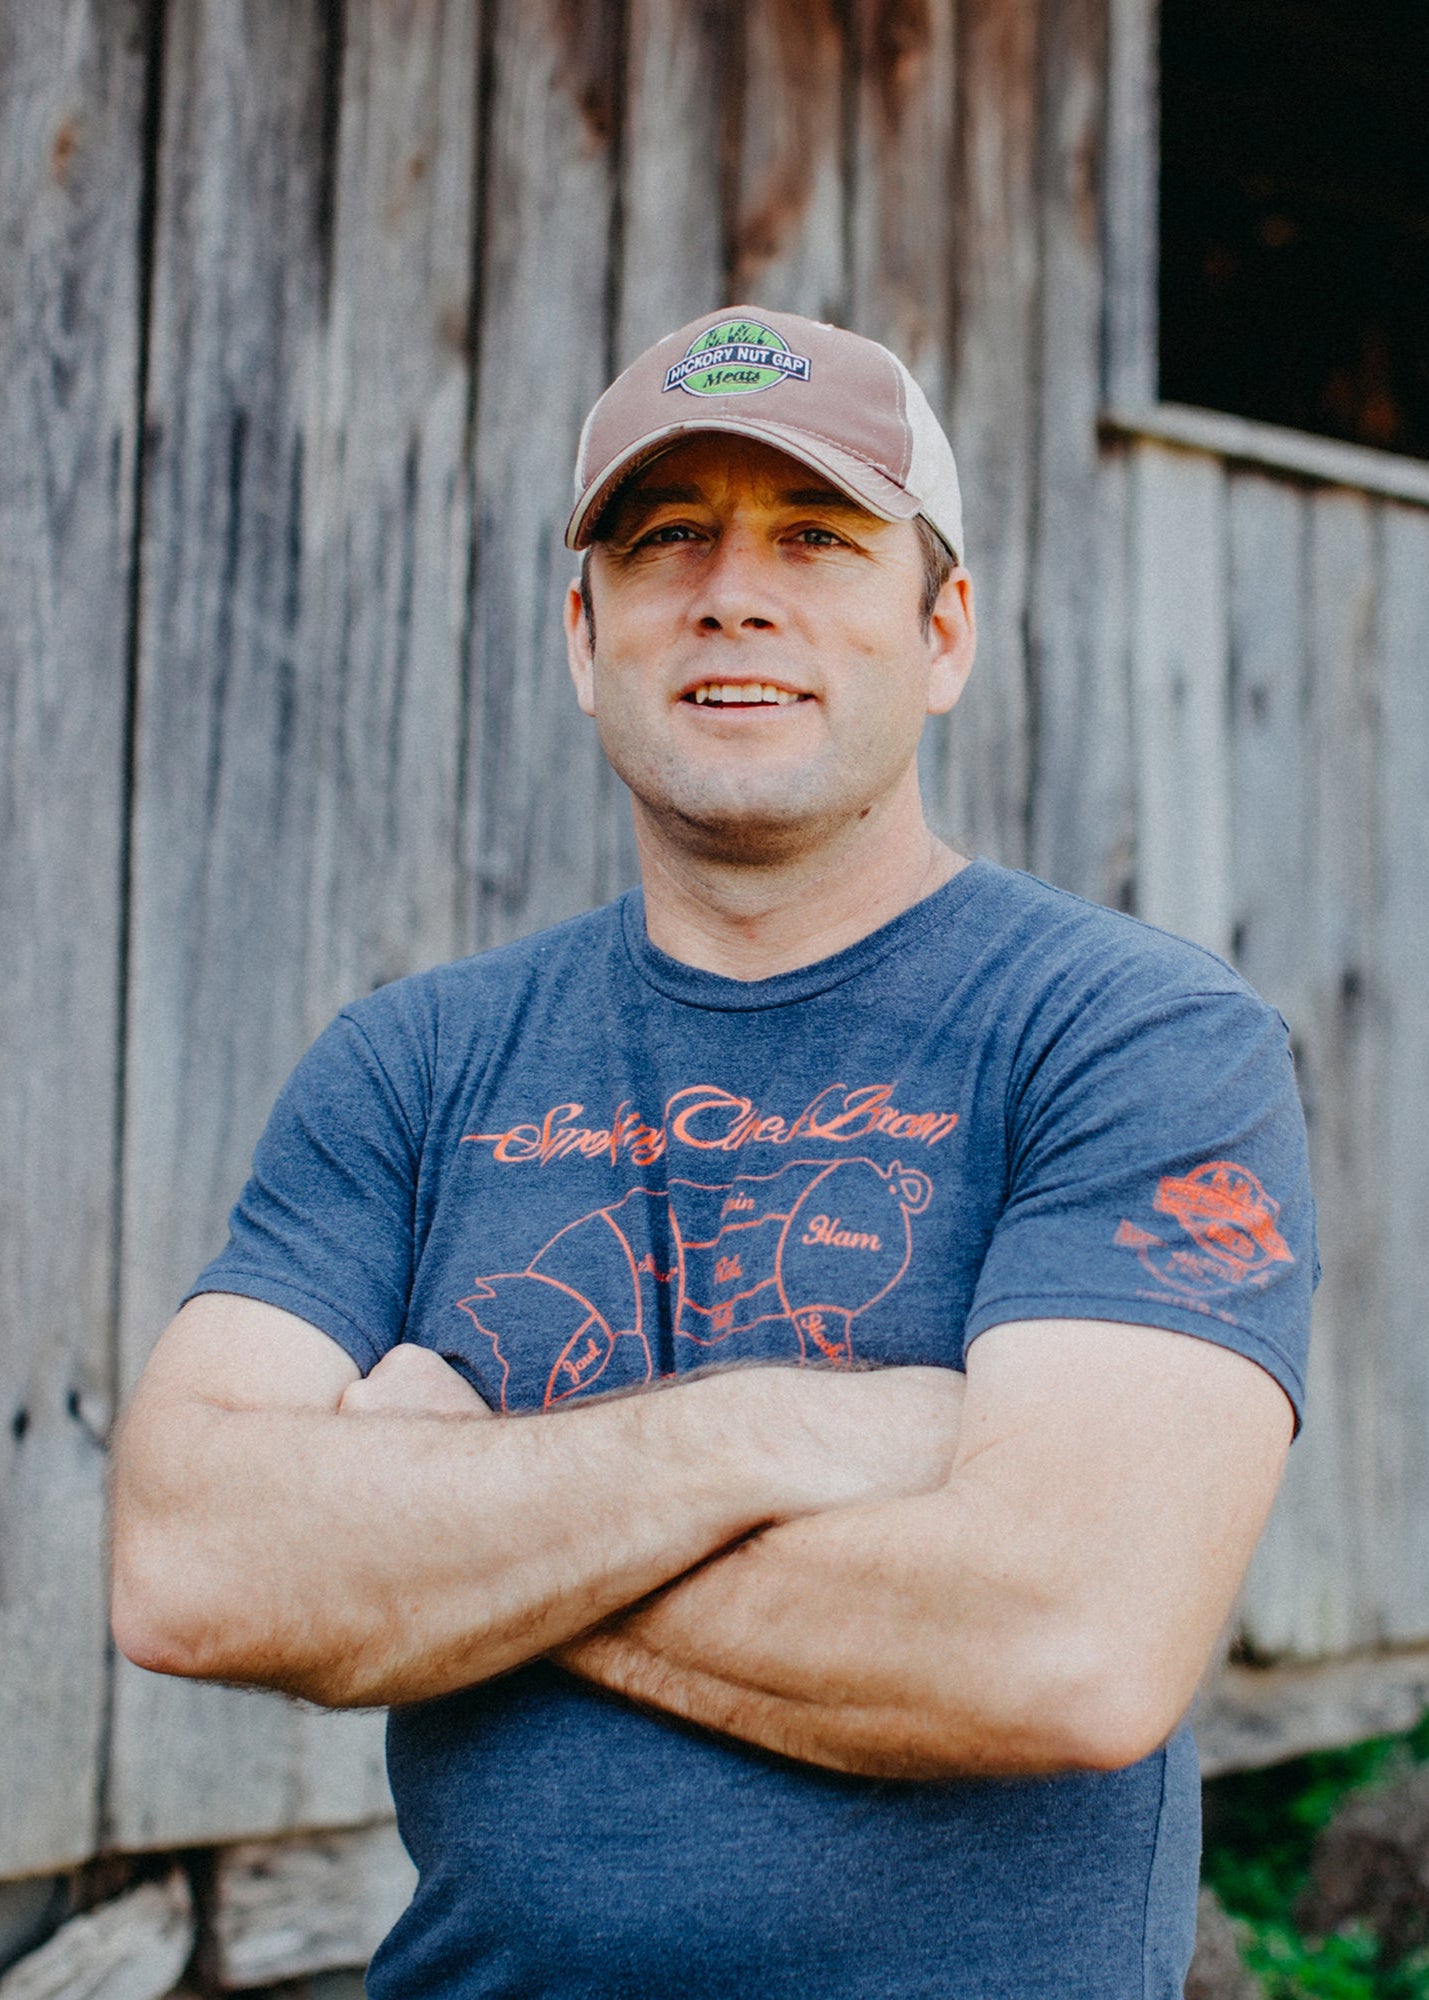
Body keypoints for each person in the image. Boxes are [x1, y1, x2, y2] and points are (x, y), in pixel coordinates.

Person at [111, 306, 1315, 1998]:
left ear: (943, 630)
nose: (732, 591)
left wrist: (434, 1529)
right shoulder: (414, 1065)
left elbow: (1067, 1651)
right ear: (581, 631)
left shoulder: (1130, 1037)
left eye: (816, 537)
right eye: (667, 535)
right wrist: (777, 1434)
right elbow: (188, 1568)